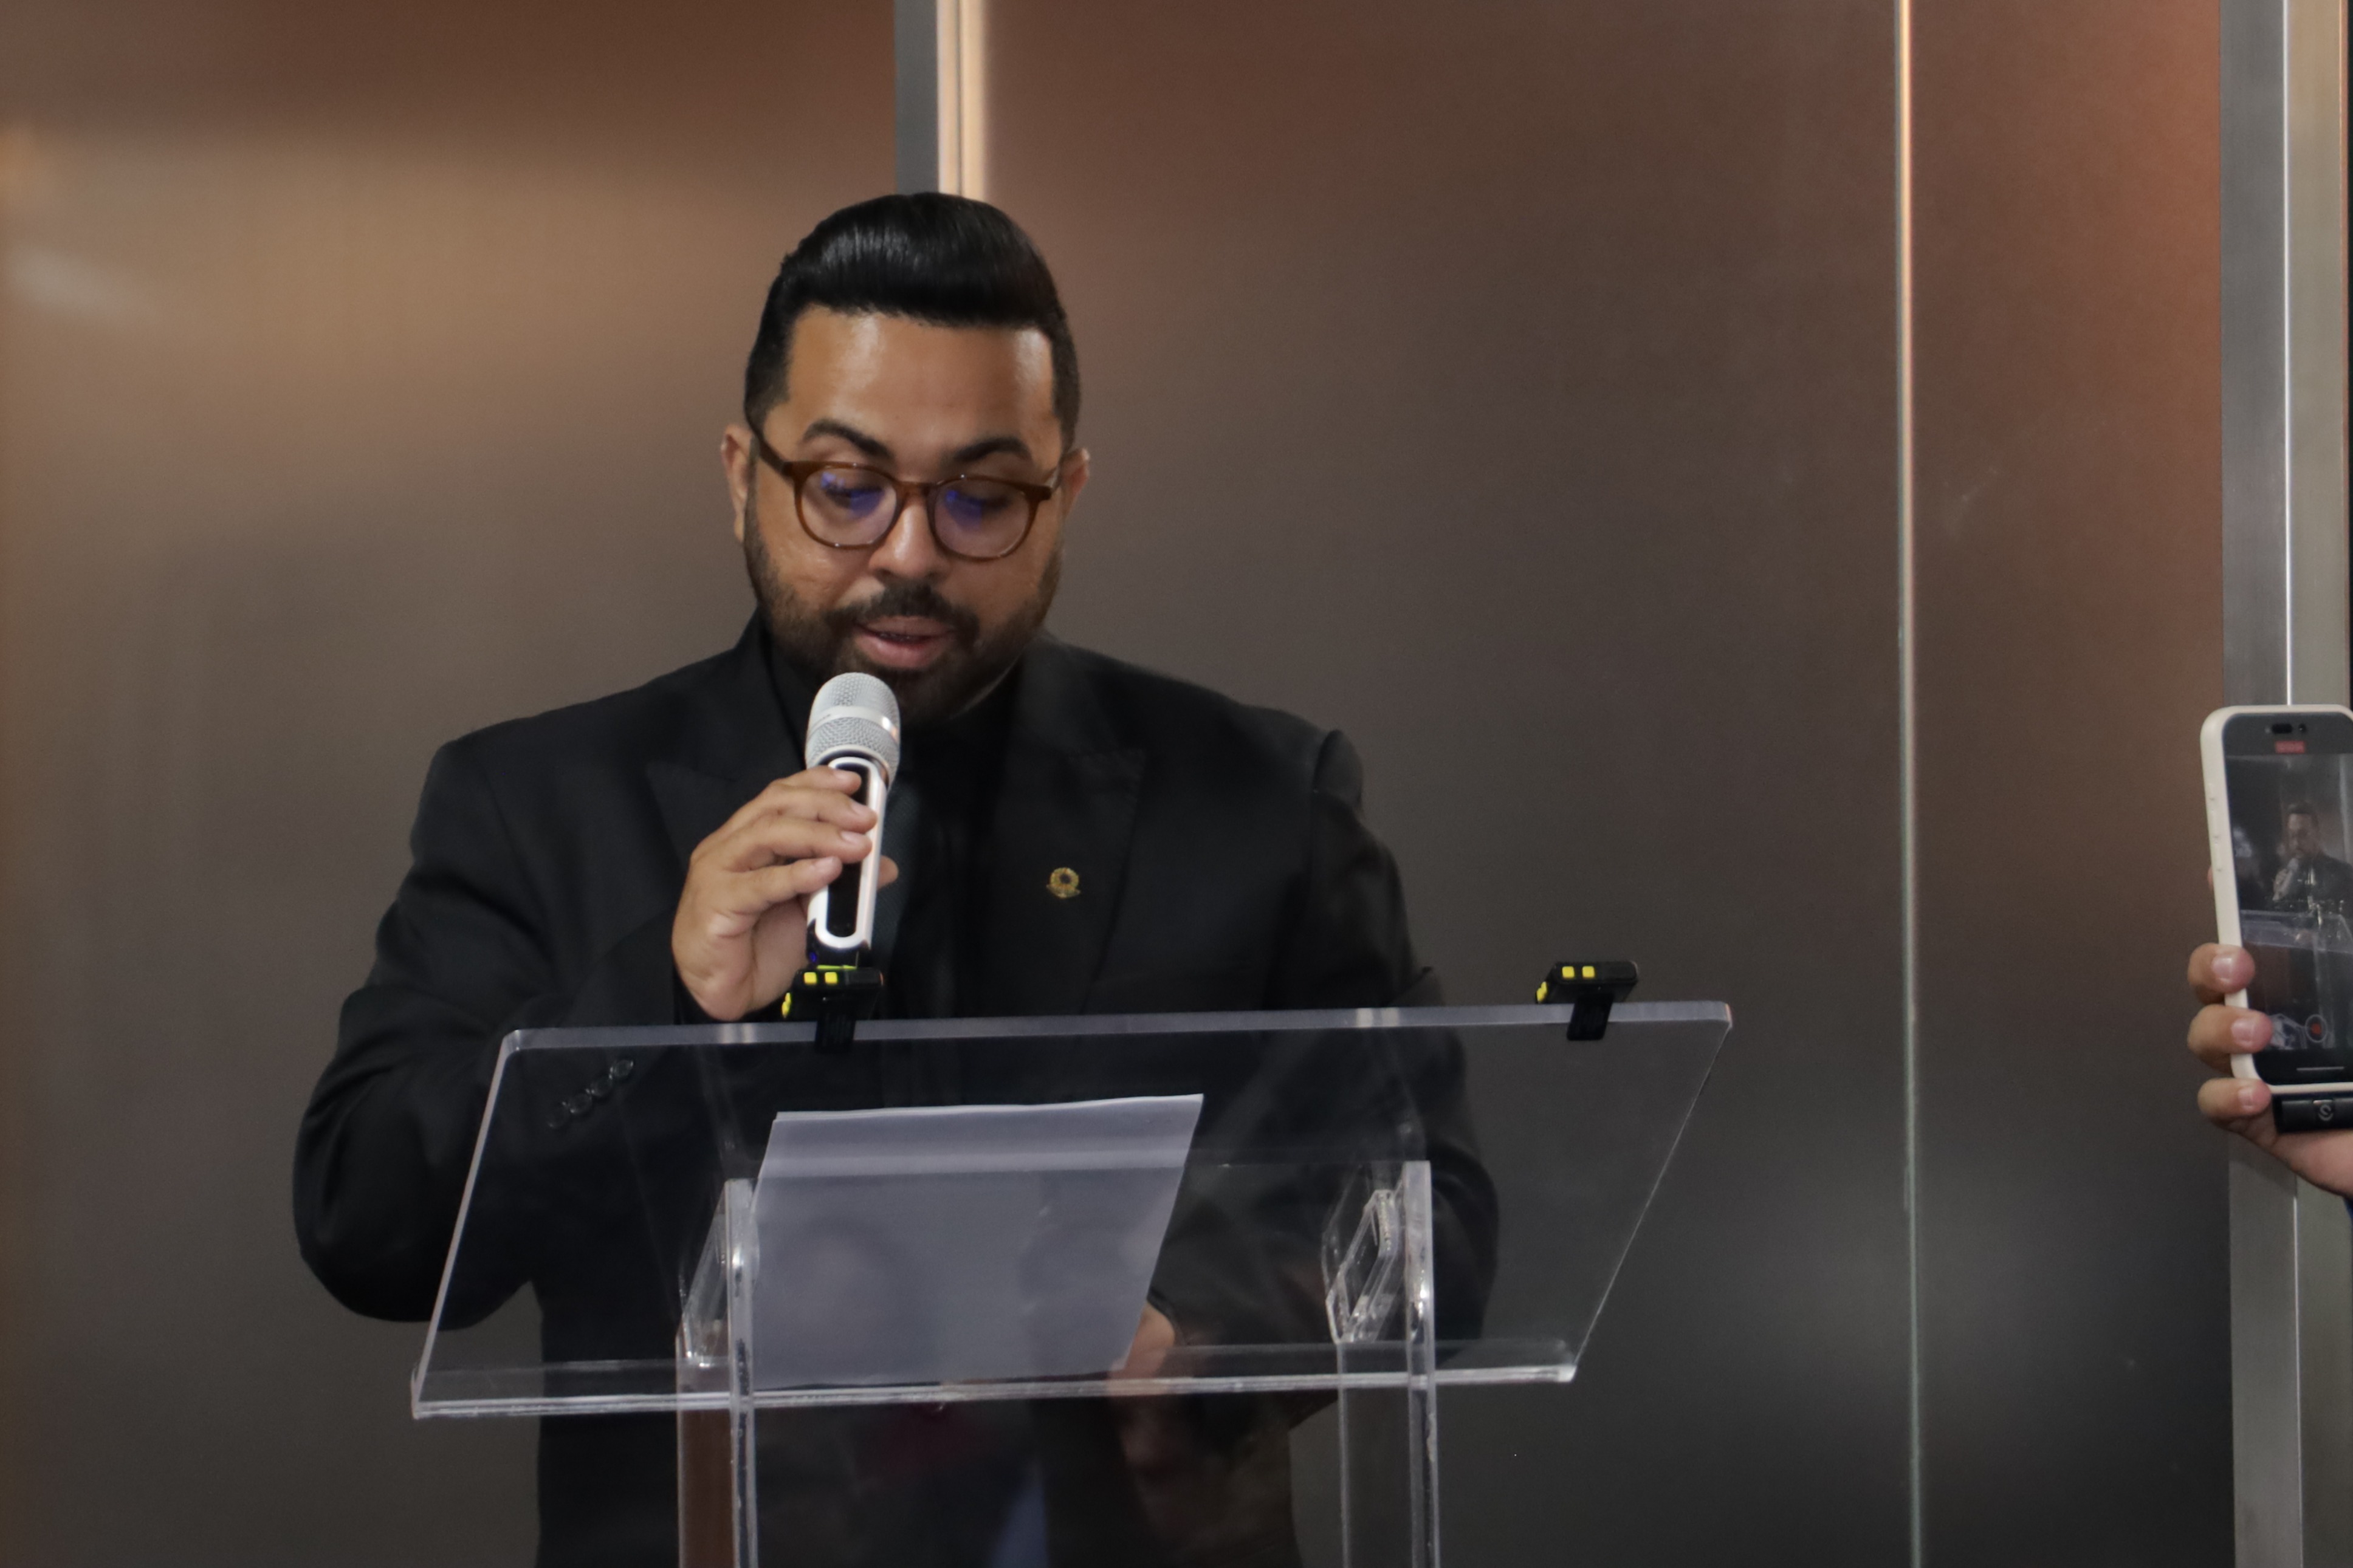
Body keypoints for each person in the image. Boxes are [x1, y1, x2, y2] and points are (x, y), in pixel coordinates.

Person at [294, 193, 1493, 1566]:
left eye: (981, 497)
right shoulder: (541, 801)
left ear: (1066, 497)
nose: (910, 553)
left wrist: (1194, 1336)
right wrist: (660, 991)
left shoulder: (1259, 799)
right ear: (742, 473)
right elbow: (369, 1225)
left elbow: (1434, 1221)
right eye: (846, 487)